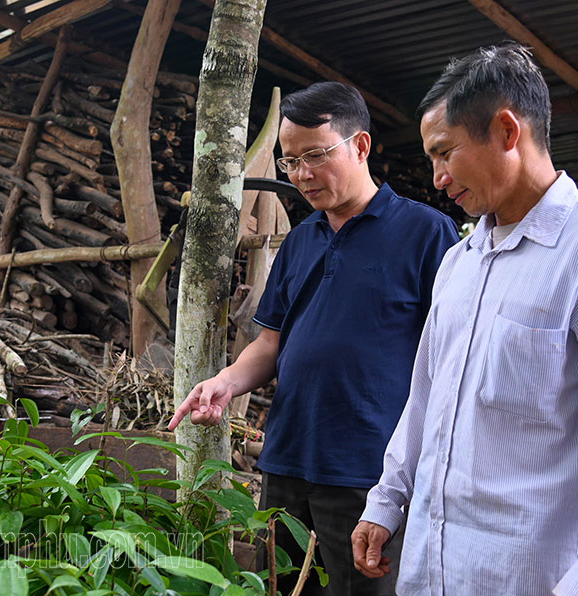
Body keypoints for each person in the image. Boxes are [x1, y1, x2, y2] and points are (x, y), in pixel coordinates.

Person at [351, 43, 578, 596]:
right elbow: (425, 396)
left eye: (444, 153)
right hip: (429, 571)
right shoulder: (460, 261)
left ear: (505, 130)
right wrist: (387, 499)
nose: (437, 179)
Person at [168, 81, 459, 595]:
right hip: (286, 463)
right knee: (278, 587)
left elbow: (452, 357)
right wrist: (226, 383)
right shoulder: (301, 240)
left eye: (316, 156)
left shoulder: (427, 232)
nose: (302, 174)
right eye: (290, 161)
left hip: (369, 474)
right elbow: (270, 343)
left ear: (360, 146)